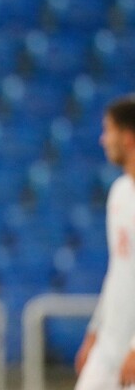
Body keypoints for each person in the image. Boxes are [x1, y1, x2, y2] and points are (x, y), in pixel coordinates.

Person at [74, 95, 135, 390]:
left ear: (128, 137)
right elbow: (118, 270)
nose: (103, 139)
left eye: (108, 130)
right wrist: (94, 331)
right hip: (109, 347)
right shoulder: (120, 192)